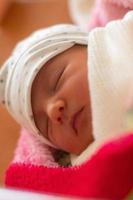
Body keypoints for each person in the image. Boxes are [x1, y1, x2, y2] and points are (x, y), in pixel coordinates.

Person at [1, 10, 133, 200]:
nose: (52, 109)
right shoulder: (82, 166)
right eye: (45, 125)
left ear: (91, 46)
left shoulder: (123, 40)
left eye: (58, 80)